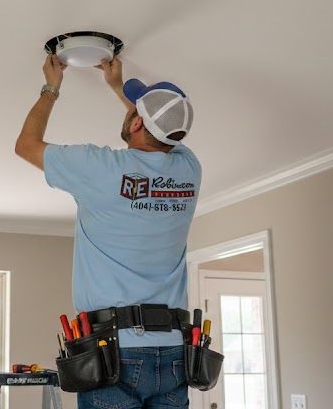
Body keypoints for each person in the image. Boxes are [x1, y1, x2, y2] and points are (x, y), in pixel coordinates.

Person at [15, 54, 200, 409]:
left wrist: (50, 88)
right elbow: (160, 132)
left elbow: (26, 145)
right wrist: (120, 89)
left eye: (133, 110)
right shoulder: (189, 169)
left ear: (134, 124)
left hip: (113, 352)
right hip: (175, 350)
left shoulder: (101, 168)